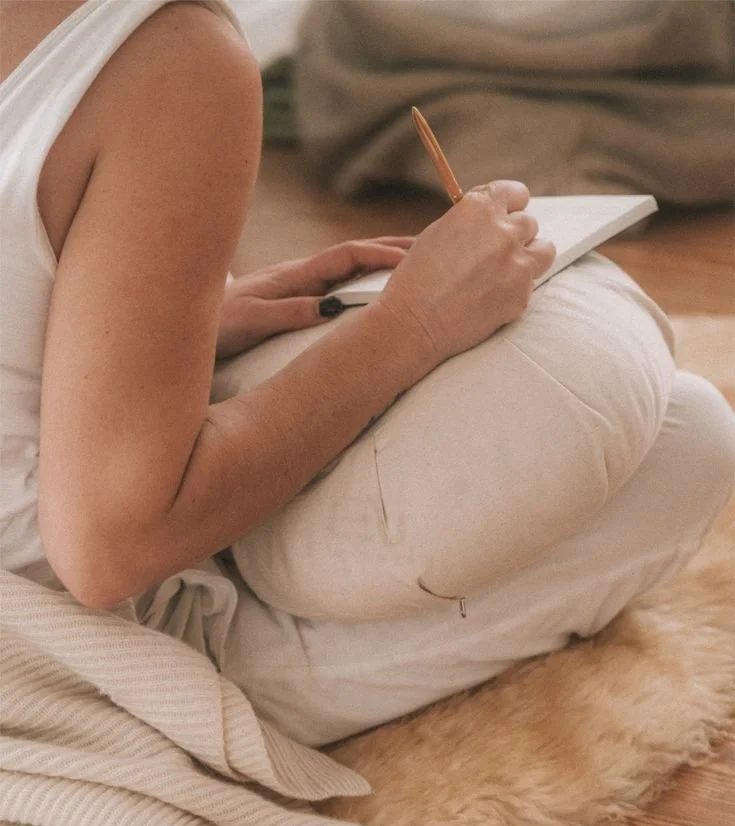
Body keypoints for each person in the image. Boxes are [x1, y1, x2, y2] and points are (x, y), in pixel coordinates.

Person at [2, 0, 734, 749]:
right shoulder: (171, 56)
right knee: (692, 444)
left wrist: (183, 321)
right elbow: (108, 551)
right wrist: (410, 326)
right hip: (76, 647)